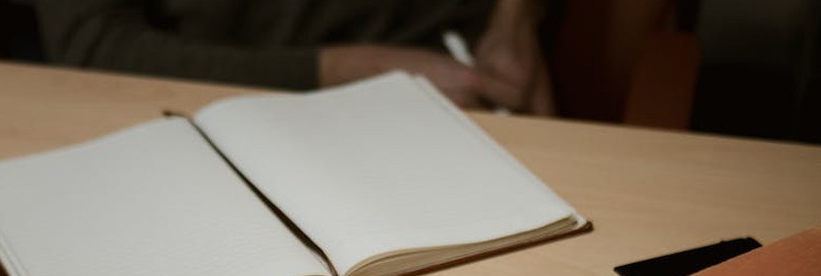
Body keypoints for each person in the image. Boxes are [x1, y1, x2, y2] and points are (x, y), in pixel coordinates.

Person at [31, 0, 554, 114]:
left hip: (462, 86)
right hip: (214, 102)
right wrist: (350, 69)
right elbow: (93, 48)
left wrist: (514, 20)